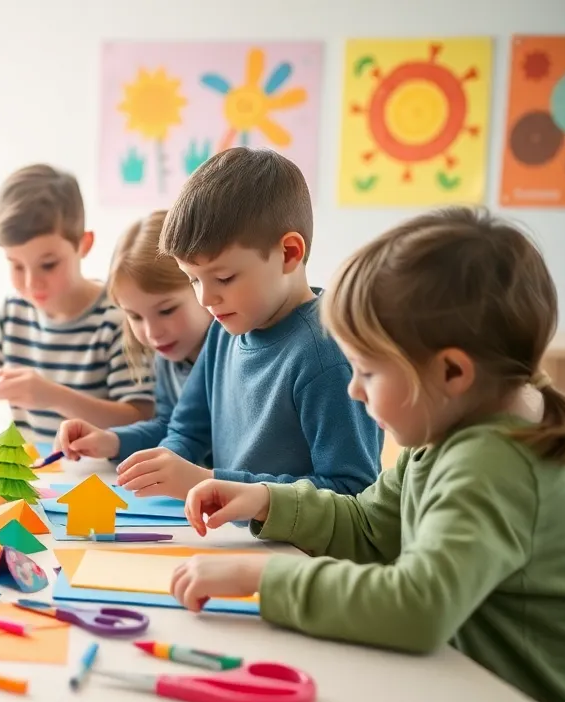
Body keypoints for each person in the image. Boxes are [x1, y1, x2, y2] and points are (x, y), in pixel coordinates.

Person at [174, 207, 565, 702]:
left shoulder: (488, 465)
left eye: (367, 371)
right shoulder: (448, 432)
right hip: (470, 698)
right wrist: (268, 500)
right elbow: (370, 526)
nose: (354, 389)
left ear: (452, 371)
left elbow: (417, 607)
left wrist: (262, 575)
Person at [115, 148, 380, 501]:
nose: (206, 299)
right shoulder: (224, 328)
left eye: (223, 277)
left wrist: (212, 483)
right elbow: (187, 431)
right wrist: (163, 463)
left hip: (294, 553)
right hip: (230, 537)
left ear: (288, 254)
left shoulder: (326, 355)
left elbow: (352, 491)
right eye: (193, 279)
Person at [0, 163, 152, 443]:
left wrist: (53, 397)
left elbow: (141, 417)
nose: (30, 283)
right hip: (36, 477)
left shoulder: (117, 318)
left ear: (83, 245)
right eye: (16, 265)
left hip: (99, 478)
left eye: (48, 265)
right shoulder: (15, 313)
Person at [54, 210, 211, 463]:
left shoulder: (231, 353)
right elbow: (170, 429)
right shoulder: (168, 357)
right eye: (135, 317)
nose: (152, 333)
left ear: (203, 284)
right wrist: (112, 441)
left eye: (167, 310)